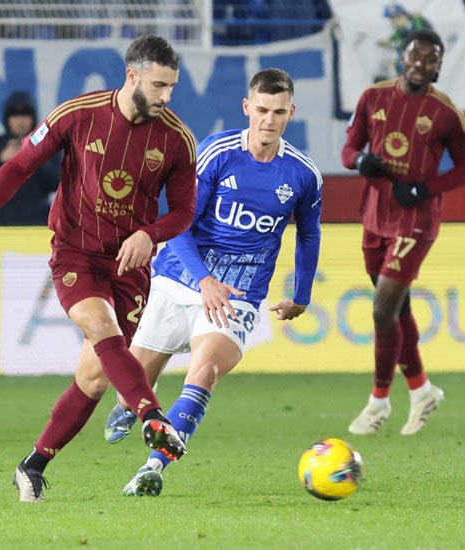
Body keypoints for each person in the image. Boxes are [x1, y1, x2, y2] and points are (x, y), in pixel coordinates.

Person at [0, 35, 198, 502]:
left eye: (172, 87)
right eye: (159, 85)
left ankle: (32, 464)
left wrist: (149, 234)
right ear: (132, 76)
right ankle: (153, 418)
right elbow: (19, 166)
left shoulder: (177, 140)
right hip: (76, 253)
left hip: (131, 263)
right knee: (100, 325)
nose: (166, 96)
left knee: (95, 378)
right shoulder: (78, 114)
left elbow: (183, 213)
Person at [100, 68, 323, 497]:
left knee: (205, 371)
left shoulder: (303, 174)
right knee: (130, 391)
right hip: (181, 277)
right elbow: (179, 224)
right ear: (246, 108)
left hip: (239, 291)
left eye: (278, 112)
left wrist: (301, 294)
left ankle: (153, 468)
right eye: (261, 110)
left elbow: (309, 233)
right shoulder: (216, 153)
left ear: (290, 112)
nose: (268, 121)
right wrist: (204, 279)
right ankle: (130, 402)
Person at [341, 29, 465, 436]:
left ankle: (378, 401)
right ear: (402, 57)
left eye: (430, 59)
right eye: (415, 56)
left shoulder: (446, 114)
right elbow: (348, 151)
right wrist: (362, 161)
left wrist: (424, 188)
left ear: (439, 65)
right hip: (374, 216)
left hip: (416, 220)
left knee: (382, 310)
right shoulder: (373, 98)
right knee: (398, 311)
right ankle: (421, 390)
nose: (421, 64)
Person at [0, 90, 60, 225]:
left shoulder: (48, 146)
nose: (20, 120)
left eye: (25, 115)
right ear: (7, 118)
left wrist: (34, 158)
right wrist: (0, 159)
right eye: (15, 115)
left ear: (33, 117)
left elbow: (59, 182)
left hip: (37, 222)